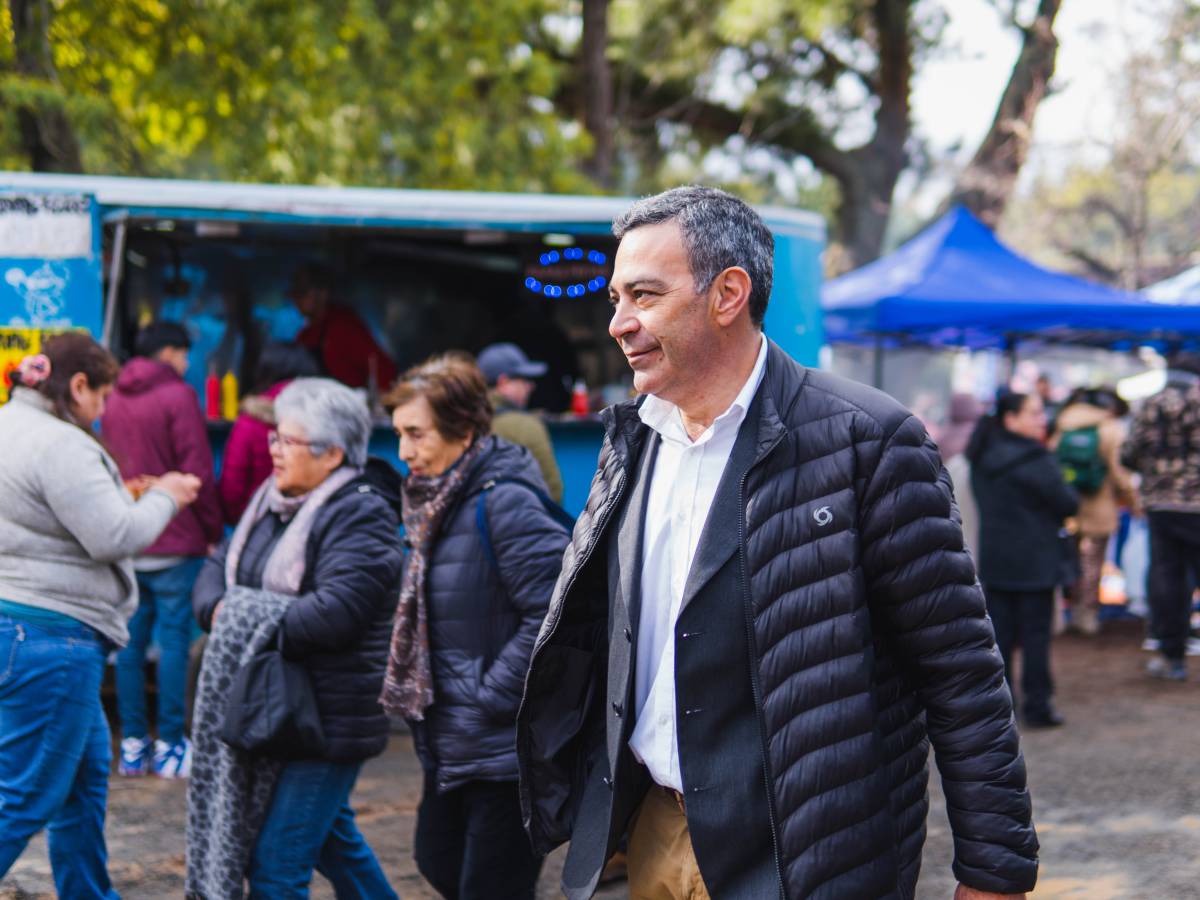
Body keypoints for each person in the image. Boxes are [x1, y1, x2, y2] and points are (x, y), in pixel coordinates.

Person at [516, 187, 1039, 900]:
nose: (619, 323)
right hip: (654, 833)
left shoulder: (870, 443)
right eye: (615, 299)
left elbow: (962, 675)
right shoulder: (633, 440)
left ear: (728, 293)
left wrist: (995, 872)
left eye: (643, 294)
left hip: (808, 855)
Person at [0, 333, 200, 899]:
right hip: (54, 638)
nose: (105, 409)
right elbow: (115, 535)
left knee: (82, 787)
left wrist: (122, 493)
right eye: (102, 395)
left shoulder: (8, 426)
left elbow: (48, 514)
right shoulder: (62, 444)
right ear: (79, 385)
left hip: (23, 627)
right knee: (25, 796)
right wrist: (167, 494)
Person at [188, 378, 402, 899]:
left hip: (326, 718)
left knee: (276, 869)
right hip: (276, 711)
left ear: (331, 454)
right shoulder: (270, 502)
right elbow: (218, 569)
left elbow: (335, 614)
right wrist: (222, 607)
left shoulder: (362, 512)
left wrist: (237, 615)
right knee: (334, 842)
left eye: (288, 442)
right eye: (274, 440)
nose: (275, 453)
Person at [381, 354, 570, 900]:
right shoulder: (434, 503)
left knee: (488, 886)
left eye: (416, 434)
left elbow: (556, 611)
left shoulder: (503, 503)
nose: (404, 452)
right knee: (435, 858)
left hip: (503, 748)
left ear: (462, 428)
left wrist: (492, 693)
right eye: (398, 434)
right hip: (452, 737)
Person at [100, 321, 224, 779]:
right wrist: (212, 528)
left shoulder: (110, 394)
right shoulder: (178, 396)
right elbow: (196, 472)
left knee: (128, 645)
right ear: (169, 353)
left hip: (129, 537)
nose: (187, 363)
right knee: (173, 642)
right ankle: (171, 745)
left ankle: (133, 745)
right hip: (175, 539)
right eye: (184, 353)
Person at [968, 391, 1079, 729]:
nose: (1041, 419)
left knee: (999, 637)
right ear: (1010, 419)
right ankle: (1039, 706)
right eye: (1033, 413)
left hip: (997, 560)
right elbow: (1068, 504)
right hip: (1036, 561)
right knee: (1035, 637)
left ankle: (1002, 707)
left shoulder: (981, 457)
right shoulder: (1036, 460)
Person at [1121, 353, 1200, 681]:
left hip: (1161, 504)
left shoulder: (1149, 405)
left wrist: (1155, 470)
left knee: (1167, 577)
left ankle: (1172, 655)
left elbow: (1128, 454)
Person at [1052, 387, 1137, 636]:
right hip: (1100, 505)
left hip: (1067, 505)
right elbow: (1120, 471)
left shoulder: (1064, 423)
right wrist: (1132, 500)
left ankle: (1064, 612)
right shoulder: (1110, 428)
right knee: (1093, 562)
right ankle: (1086, 614)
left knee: (1069, 558)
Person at [219, 341, 322, 524]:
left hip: (257, 522)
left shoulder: (250, 422)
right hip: (311, 521)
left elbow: (232, 489)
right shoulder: (321, 419)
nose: (277, 449)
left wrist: (242, 523)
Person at [477, 341, 564, 504]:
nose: (530, 386)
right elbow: (553, 491)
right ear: (503, 382)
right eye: (523, 379)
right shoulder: (526, 426)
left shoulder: (460, 424)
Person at [290, 263, 398, 390]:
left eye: (302, 292)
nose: (296, 299)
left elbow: (384, 370)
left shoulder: (344, 328)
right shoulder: (304, 336)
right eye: (294, 293)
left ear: (323, 293)